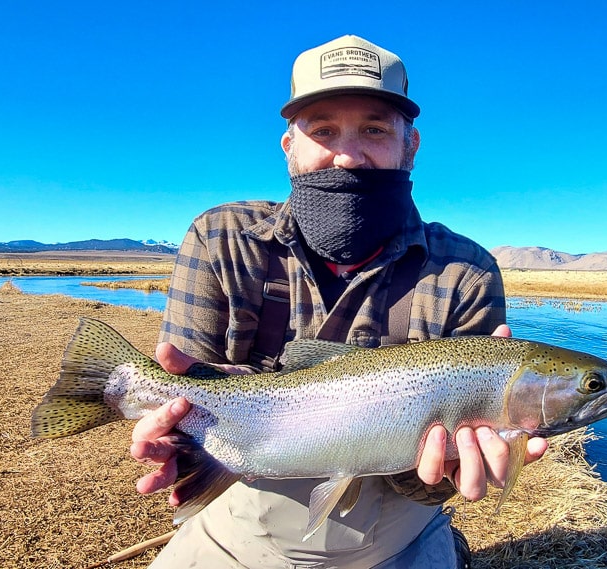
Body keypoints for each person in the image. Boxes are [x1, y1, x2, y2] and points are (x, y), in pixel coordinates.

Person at [130, 35, 548, 568]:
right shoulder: (221, 238)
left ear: (410, 145)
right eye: (322, 130)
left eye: (374, 129)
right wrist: (172, 437)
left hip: (397, 543)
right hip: (232, 536)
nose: (348, 154)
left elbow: (430, 489)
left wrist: (443, 471)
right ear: (289, 146)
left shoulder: (465, 272)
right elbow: (187, 403)